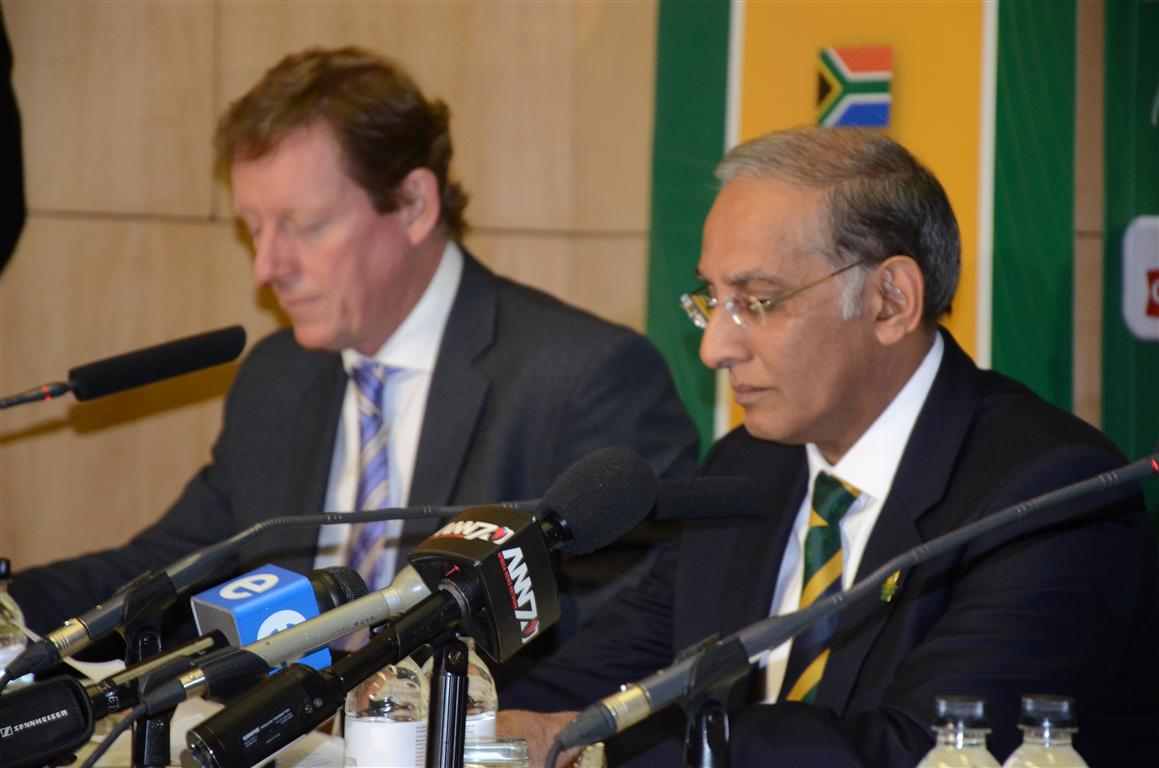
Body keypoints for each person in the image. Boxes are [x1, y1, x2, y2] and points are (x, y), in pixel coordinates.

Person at [10, 47, 699, 679]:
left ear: (414, 205)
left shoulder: (582, 377)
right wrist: (10, 609)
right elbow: (167, 574)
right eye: (254, 229)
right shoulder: (279, 376)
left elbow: (636, 625)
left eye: (303, 226)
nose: (266, 267)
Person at [500, 127, 1159, 766]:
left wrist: (599, 750)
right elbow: (607, 674)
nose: (714, 349)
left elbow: (922, 751)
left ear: (890, 301)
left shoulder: (1049, 494)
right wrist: (483, 726)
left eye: (757, 301)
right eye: (711, 299)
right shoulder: (748, 466)